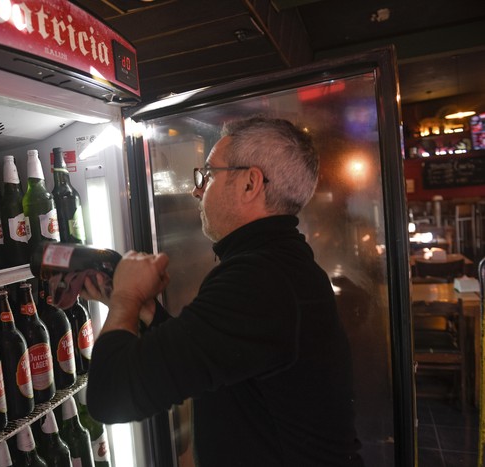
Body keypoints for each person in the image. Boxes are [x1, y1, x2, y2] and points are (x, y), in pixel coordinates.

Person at [82, 116, 364, 466]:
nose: (196, 190)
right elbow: (219, 357)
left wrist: (124, 298)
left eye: (207, 174)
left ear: (250, 183)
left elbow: (111, 395)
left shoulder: (260, 279)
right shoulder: (280, 265)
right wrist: (145, 310)